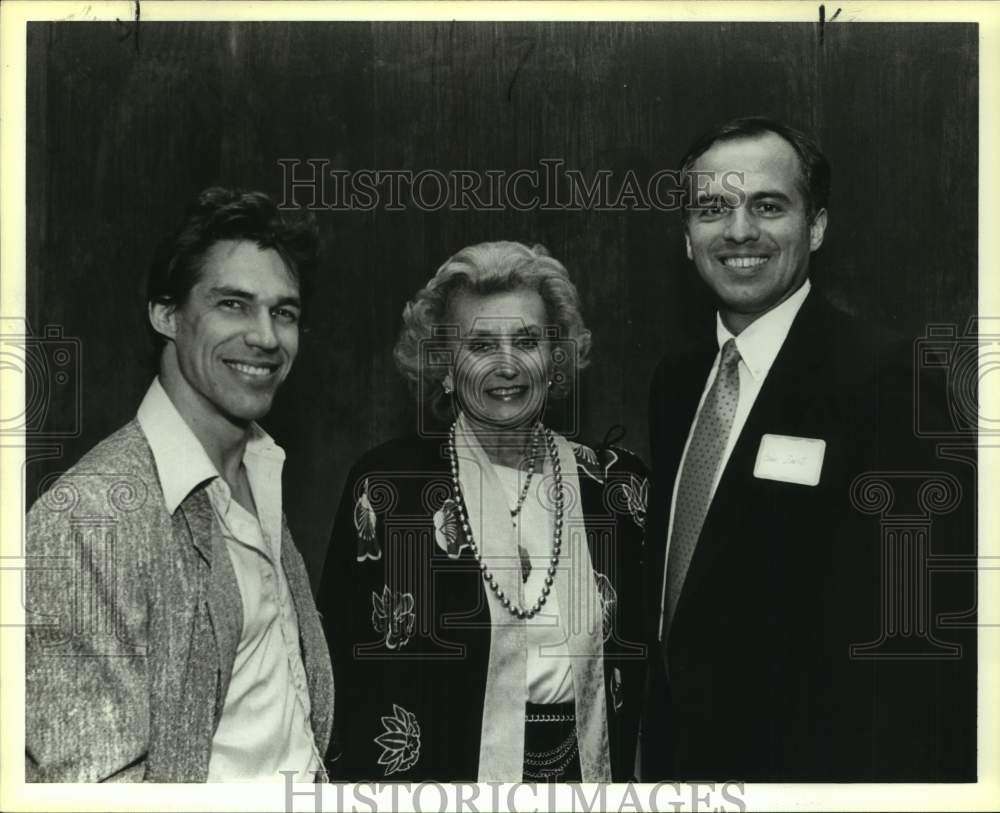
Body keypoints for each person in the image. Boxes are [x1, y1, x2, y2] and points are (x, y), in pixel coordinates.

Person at [641, 117, 976, 781]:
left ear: (816, 226)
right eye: (713, 208)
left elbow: (923, 645)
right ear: (687, 237)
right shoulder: (676, 383)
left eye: (768, 205)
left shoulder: (890, 380)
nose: (739, 231)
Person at [25, 188, 334, 782]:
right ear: (165, 315)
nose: (267, 338)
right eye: (234, 305)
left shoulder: (260, 472)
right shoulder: (90, 517)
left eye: (284, 312)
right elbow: (95, 789)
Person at [319, 241, 647, 781]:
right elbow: (343, 678)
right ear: (446, 365)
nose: (507, 365)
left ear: (556, 358)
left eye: (527, 341)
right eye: (480, 344)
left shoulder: (617, 488)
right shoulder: (388, 488)